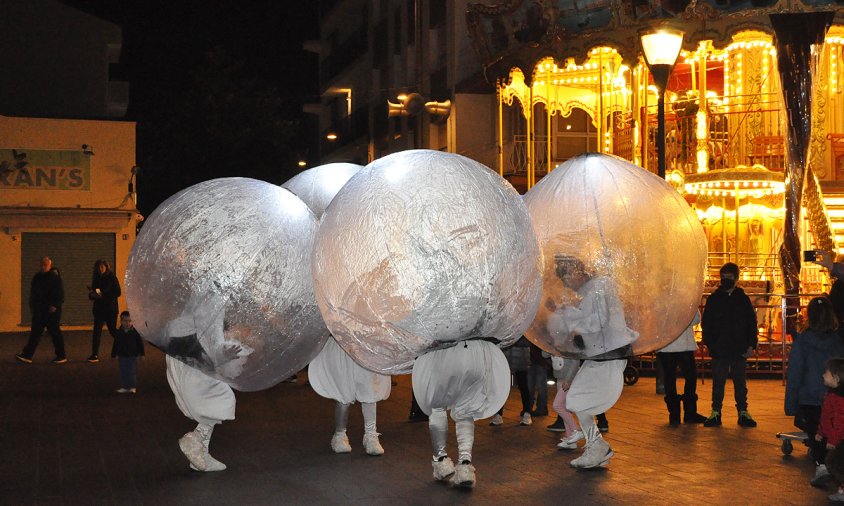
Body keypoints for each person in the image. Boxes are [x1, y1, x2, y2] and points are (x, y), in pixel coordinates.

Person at [547, 254, 638, 469]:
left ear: (576, 272)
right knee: (576, 399)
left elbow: (598, 321)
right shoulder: (596, 287)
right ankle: (596, 446)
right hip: (600, 354)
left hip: (607, 354)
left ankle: (597, 446)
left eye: (567, 278)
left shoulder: (597, 287)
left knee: (576, 399)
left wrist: (571, 322)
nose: (568, 285)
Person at [163, 292, 252, 472]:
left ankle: (200, 452)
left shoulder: (199, 289)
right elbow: (208, 331)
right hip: (194, 356)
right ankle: (196, 439)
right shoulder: (214, 296)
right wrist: (221, 355)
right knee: (222, 398)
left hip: (181, 353)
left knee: (212, 400)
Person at [413, 339, 510, 489]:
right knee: (466, 410)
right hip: (476, 354)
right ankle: (465, 465)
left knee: (436, 406)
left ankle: (441, 460)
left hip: (445, 352)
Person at [784, 297, 844, 486]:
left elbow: (795, 372)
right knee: (832, 432)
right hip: (833, 397)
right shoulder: (837, 341)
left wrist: (791, 404)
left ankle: (821, 465)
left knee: (816, 432)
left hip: (809, 398)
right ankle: (829, 465)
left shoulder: (803, 341)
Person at [308, 337, 389, 456]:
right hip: (344, 344)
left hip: (366, 345)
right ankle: (340, 435)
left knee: (370, 390)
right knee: (344, 392)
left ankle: (371, 435)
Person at [701, 262, 759, 428]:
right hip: (720, 348)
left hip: (739, 347)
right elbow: (707, 323)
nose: (726, 280)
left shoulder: (742, 299)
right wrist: (710, 344)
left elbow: (751, 323)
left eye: (729, 277)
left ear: (736, 278)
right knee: (718, 383)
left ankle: (743, 411)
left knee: (740, 383)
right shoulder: (714, 299)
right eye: (723, 277)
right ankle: (716, 412)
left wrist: (751, 345)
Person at [656, 309, 707, 425]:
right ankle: (690, 412)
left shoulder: (659, 299)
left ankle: (674, 414)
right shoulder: (687, 298)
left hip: (666, 345)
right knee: (690, 377)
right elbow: (696, 319)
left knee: (669, 378)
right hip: (684, 344)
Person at [16, 256, 66, 364]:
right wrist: (33, 306)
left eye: (46, 264)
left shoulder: (55, 278)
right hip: (40, 310)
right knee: (35, 332)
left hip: (51, 311)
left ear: (50, 265)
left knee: (54, 332)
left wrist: (54, 305)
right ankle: (28, 355)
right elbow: (34, 293)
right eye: (42, 264)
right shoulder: (37, 277)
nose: (43, 266)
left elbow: (60, 294)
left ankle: (61, 355)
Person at [814, 358, 844, 502]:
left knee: (836, 464)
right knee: (835, 464)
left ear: (836, 378)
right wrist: (821, 431)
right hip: (836, 437)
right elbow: (826, 416)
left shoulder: (839, 398)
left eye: (826, 373)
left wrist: (833, 440)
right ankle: (841, 491)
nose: (823, 375)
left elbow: (840, 422)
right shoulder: (832, 394)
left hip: (840, 439)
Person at [87, 259, 122, 363]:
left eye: (102, 267)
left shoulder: (112, 277)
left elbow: (118, 292)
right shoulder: (96, 278)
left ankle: (125, 346)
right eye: (98, 267)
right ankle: (94, 354)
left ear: (106, 267)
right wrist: (92, 295)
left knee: (112, 330)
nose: (100, 269)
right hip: (99, 309)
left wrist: (103, 295)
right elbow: (94, 292)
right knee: (96, 332)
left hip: (110, 309)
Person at [492, 336, 532, 426]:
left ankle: (527, 413)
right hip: (505, 358)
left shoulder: (523, 324)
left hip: (521, 358)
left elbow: (528, 342)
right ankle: (498, 414)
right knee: (502, 387)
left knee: (523, 386)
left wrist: (512, 340)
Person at [549, 355, 583, 450]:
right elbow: (544, 355)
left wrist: (568, 380)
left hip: (568, 379)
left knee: (557, 406)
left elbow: (575, 362)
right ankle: (570, 440)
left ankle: (576, 430)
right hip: (560, 377)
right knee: (564, 408)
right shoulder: (554, 341)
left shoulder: (569, 341)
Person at [112, 311, 145, 394]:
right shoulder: (119, 332)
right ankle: (125, 387)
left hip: (132, 356)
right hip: (122, 356)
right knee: (123, 372)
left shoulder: (135, 332)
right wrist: (114, 353)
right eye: (125, 321)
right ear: (121, 321)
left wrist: (142, 354)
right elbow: (116, 343)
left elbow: (140, 343)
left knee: (132, 372)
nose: (128, 323)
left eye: (130, 321)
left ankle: (132, 386)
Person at [527, 342, 550, 417]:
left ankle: (541, 408)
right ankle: (529, 408)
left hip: (541, 362)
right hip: (533, 361)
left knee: (541, 387)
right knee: (532, 387)